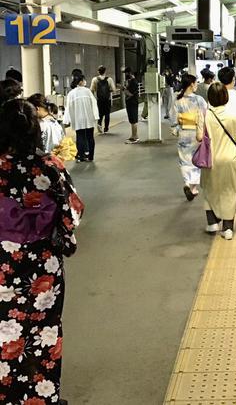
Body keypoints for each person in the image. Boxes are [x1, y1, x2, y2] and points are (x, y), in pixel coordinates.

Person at [0, 98, 84, 404]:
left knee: (6, 328)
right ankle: (42, 394)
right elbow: (72, 211)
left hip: (3, 264)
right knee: (44, 328)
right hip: (42, 264)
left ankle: (8, 393)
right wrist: (64, 239)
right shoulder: (50, 167)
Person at [201, 83, 236, 239]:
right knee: (230, 191)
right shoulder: (233, 116)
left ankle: (211, 223)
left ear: (209, 98)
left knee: (209, 189)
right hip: (230, 159)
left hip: (209, 159)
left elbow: (199, 137)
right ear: (226, 97)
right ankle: (227, 229)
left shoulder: (204, 114)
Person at [170, 74, 206, 201]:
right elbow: (205, 116)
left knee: (184, 160)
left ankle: (186, 182)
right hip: (197, 134)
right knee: (196, 160)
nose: (196, 86)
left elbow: (173, 119)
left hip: (184, 133)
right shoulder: (199, 100)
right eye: (195, 83)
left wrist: (176, 129)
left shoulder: (177, 100)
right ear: (191, 84)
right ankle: (193, 188)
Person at [63, 74, 99, 162]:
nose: (85, 82)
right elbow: (94, 104)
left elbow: (68, 107)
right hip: (89, 117)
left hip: (78, 118)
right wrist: (96, 116)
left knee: (80, 136)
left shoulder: (71, 93)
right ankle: (91, 156)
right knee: (90, 137)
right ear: (81, 82)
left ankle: (81, 156)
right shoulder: (87, 91)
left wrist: (67, 120)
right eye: (84, 80)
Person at [90, 65, 115, 133]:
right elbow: (113, 89)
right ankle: (106, 128)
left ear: (98, 71)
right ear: (105, 71)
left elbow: (91, 90)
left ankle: (99, 126)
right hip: (107, 99)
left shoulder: (95, 79)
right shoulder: (109, 79)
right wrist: (108, 91)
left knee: (100, 114)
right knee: (107, 114)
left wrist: (95, 92)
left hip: (99, 100)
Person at [123, 67, 140, 144]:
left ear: (130, 73)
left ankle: (135, 137)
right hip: (130, 103)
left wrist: (123, 89)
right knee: (132, 121)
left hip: (133, 103)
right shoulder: (131, 82)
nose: (125, 75)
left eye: (126, 73)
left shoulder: (134, 82)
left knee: (134, 120)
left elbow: (130, 94)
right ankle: (133, 136)